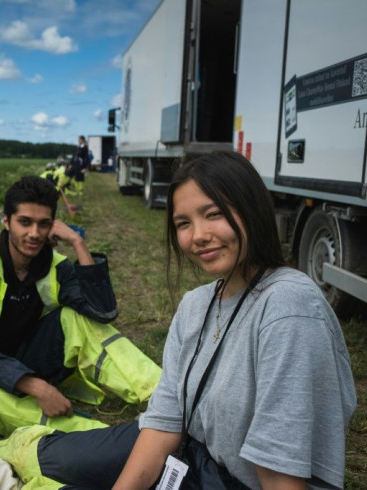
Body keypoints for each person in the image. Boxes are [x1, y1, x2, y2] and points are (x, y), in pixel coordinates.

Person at [108, 151, 357, 488]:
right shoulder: (195, 304)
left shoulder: (287, 307)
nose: (198, 235)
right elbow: (166, 417)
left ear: (252, 211)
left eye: (214, 214)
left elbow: (280, 475)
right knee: (56, 459)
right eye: (184, 223)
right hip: (196, 461)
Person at [0, 175, 162, 437]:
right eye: (24, 222)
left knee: (78, 320)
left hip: (21, 361)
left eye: (43, 224)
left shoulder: (54, 265)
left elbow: (103, 312)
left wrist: (78, 243)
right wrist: (38, 387)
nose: (34, 234)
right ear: (6, 221)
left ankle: (167, 397)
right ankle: (110, 439)